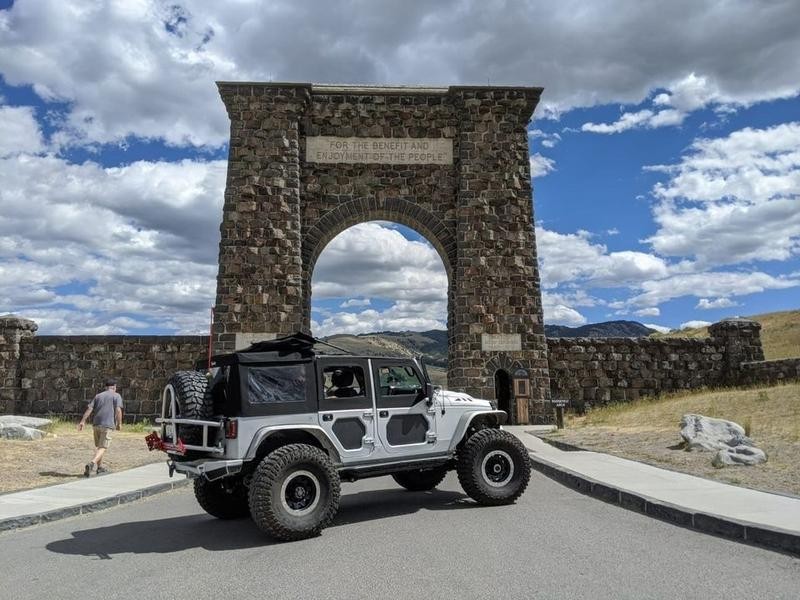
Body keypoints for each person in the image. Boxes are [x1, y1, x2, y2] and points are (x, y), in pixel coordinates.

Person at [78, 378, 123, 477]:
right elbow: (118, 410)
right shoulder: (116, 395)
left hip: (96, 425)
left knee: (99, 446)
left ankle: (100, 468)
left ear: (106, 387)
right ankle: (92, 463)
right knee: (103, 447)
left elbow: (90, 409)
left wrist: (82, 421)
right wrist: (119, 423)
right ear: (114, 387)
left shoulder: (98, 396)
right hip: (107, 425)